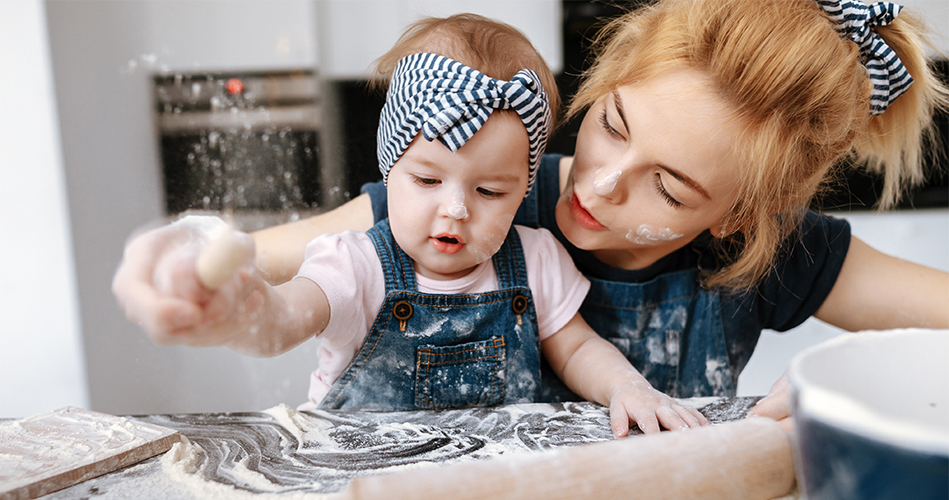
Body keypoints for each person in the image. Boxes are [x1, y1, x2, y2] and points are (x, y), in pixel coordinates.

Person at [114, 0, 949, 426]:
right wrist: (179, 268)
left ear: (740, 219)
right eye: (611, 124)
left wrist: (843, 393)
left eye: (670, 188)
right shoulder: (470, 204)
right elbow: (255, 261)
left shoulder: (781, 255)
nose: (600, 184)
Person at [120, 14, 708, 437]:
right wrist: (240, 311)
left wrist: (627, 386)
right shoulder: (354, 264)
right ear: (389, 169)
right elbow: (280, 321)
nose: (455, 209)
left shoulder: (536, 258)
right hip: (362, 475)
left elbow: (576, 348)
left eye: (489, 191)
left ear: (523, 192)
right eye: (428, 181)